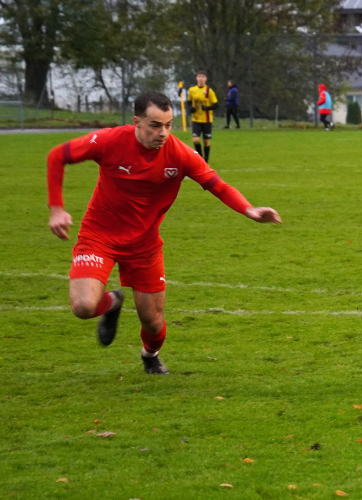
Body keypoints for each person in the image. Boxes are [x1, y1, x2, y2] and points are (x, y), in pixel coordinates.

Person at [45, 91, 281, 375]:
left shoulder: (179, 154)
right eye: (155, 125)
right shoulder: (109, 141)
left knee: (153, 322)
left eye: (168, 125)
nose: (163, 132)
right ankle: (112, 303)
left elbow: (217, 185)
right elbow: (58, 156)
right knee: (83, 306)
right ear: (137, 122)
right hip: (99, 235)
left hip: (144, 245)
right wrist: (57, 208)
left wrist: (248, 209)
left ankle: (150, 355)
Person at [187, 71, 218, 162]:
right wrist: (190, 108)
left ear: (205, 79)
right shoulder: (192, 90)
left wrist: (207, 108)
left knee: (206, 141)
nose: (201, 78)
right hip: (196, 119)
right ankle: (200, 158)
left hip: (207, 120)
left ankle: (206, 161)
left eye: (203, 76)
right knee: (196, 140)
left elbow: (216, 105)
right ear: (196, 78)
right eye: (199, 76)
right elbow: (189, 102)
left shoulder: (209, 91)